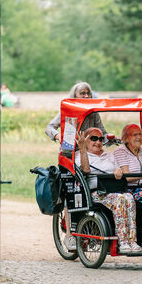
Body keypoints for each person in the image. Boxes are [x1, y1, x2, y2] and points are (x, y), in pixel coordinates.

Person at [45, 81, 106, 250]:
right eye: (82, 93)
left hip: (89, 155)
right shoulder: (68, 110)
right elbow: (49, 127)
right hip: (69, 156)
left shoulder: (94, 113)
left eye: (88, 93)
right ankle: (70, 235)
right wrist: (58, 136)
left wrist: (110, 138)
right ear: (75, 95)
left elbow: (103, 132)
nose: (86, 96)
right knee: (71, 193)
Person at [75, 128, 141, 252]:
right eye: (93, 139)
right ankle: (123, 241)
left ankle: (132, 240)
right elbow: (86, 170)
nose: (98, 142)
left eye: (101, 139)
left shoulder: (109, 155)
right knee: (120, 199)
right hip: (97, 192)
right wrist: (83, 150)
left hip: (113, 189)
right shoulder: (80, 155)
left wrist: (118, 170)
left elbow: (118, 169)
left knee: (129, 198)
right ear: (85, 141)